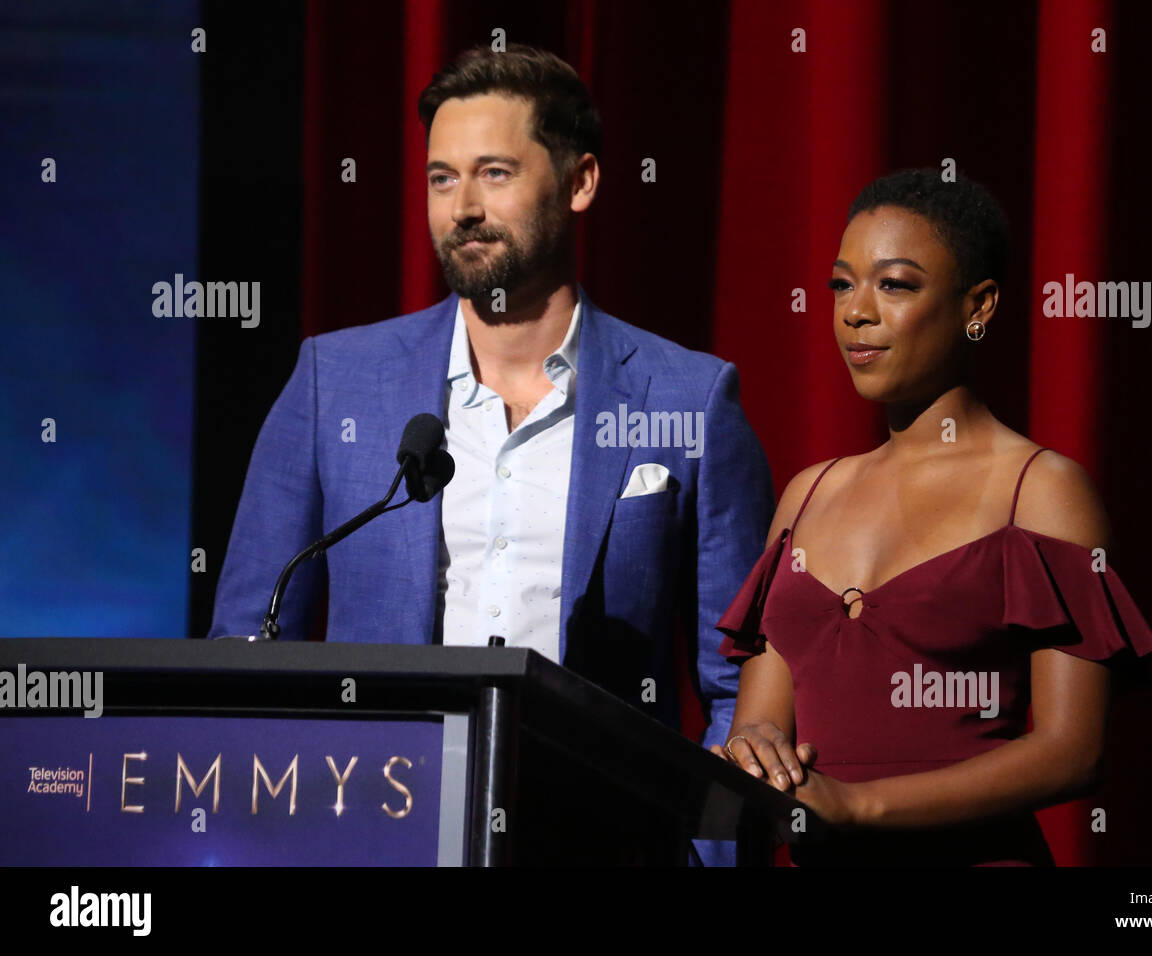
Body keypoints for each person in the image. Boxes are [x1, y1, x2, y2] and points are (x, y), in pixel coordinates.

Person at [208, 44, 773, 865]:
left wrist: (704, 857)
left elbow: (741, 688)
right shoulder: (336, 382)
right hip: (376, 838)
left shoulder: (690, 399)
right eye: (442, 178)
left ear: (581, 182)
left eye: (495, 172)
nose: (462, 207)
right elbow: (249, 646)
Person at [711, 169, 1152, 866]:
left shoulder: (1040, 490)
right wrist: (753, 755)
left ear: (977, 306)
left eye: (894, 285)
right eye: (841, 284)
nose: (856, 311)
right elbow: (761, 723)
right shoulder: (806, 495)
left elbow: (1073, 752)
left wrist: (860, 805)